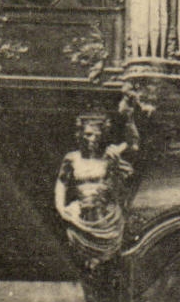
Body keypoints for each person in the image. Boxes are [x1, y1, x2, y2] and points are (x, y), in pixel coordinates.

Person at [54, 111, 134, 267]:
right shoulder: (72, 158)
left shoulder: (108, 156)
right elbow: (61, 183)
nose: (92, 139)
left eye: (97, 135)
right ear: (81, 133)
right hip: (80, 219)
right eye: (88, 134)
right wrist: (60, 207)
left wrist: (116, 164)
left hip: (106, 220)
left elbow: (122, 185)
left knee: (108, 264)